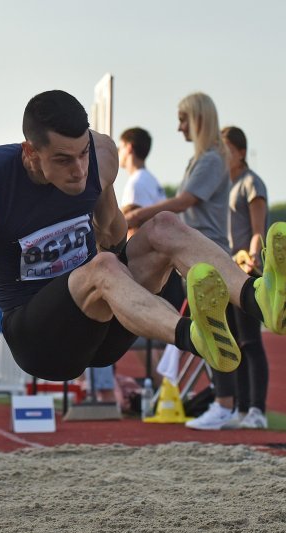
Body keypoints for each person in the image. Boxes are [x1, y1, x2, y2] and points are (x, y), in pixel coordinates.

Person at [0, 90, 286, 417]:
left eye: (83, 154)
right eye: (63, 160)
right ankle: (197, 338)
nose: (78, 169)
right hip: (39, 340)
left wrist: (120, 228)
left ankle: (256, 298)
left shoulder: (99, 159)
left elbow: (114, 233)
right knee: (101, 267)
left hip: (102, 326)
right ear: (31, 153)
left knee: (163, 226)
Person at [125, 92, 235, 430]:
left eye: (183, 119)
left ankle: (225, 404)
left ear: (199, 119)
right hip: (200, 254)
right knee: (216, 330)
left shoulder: (212, 159)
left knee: (216, 330)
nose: (178, 127)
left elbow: (185, 200)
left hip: (208, 253)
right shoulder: (203, 159)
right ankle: (230, 403)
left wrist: (139, 215)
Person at [117, 126, 182, 386]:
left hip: (152, 267)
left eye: (120, 147)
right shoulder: (151, 180)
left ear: (129, 147)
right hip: (165, 266)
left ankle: (163, 392)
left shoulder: (137, 184)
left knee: (149, 331)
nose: (118, 152)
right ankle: (164, 390)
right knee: (157, 334)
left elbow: (136, 230)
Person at [220, 126, 270, 429]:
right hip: (225, 270)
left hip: (246, 272)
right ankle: (239, 408)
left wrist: (252, 260)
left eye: (225, 150)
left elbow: (258, 230)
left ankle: (257, 410)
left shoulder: (252, 184)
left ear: (240, 151)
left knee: (250, 341)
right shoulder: (223, 186)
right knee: (234, 343)